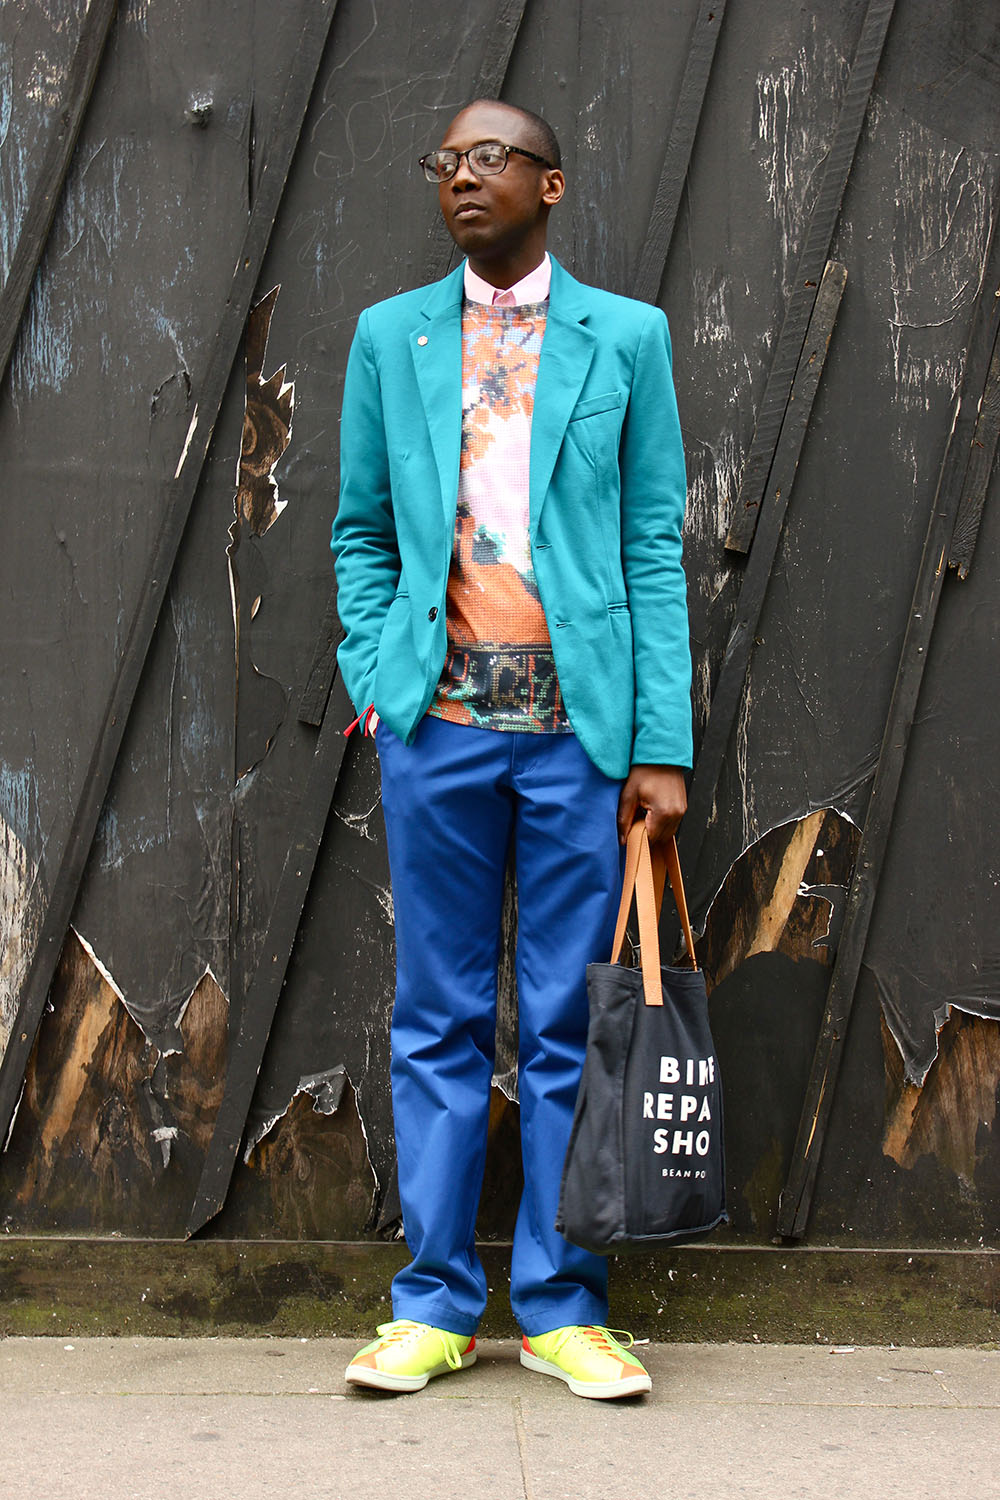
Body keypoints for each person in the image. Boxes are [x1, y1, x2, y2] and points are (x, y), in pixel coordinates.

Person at [331, 98, 692, 1400]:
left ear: (551, 185)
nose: (464, 179)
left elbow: (653, 544)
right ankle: (431, 1304)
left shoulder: (629, 340)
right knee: (433, 1016)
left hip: (580, 738)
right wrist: (377, 681)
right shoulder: (391, 338)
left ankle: (558, 1307)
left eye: (493, 160)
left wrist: (662, 745)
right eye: (447, 163)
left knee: (560, 1025)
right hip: (439, 726)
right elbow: (362, 535)